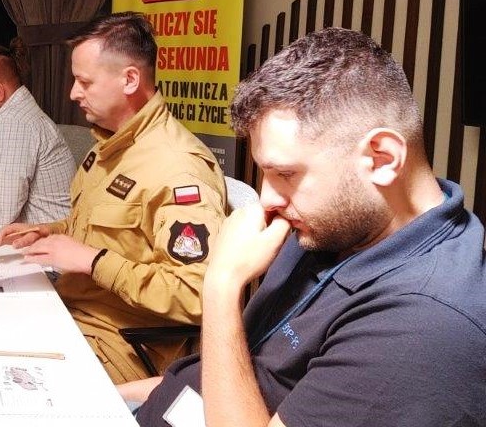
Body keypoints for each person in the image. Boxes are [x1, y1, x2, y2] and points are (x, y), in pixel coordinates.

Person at [122, 27, 486, 426]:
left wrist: (221, 286)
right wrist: (105, 395)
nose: (267, 199)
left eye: (286, 174)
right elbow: (233, 373)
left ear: (381, 159)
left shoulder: (422, 326)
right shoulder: (335, 223)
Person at [0, 12, 227, 384]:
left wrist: (93, 261)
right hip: (72, 311)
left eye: (85, 82)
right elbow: (104, 229)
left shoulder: (178, 170)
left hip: (119, 343)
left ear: (130, 79)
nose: (73, 93)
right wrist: (49, 232)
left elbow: (198, 295)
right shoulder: (108, 145)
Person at [0, 44, 74, 225]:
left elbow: (0, 213)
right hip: (37, 234)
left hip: (45, 239)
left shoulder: (15, 123)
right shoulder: (14, 116)